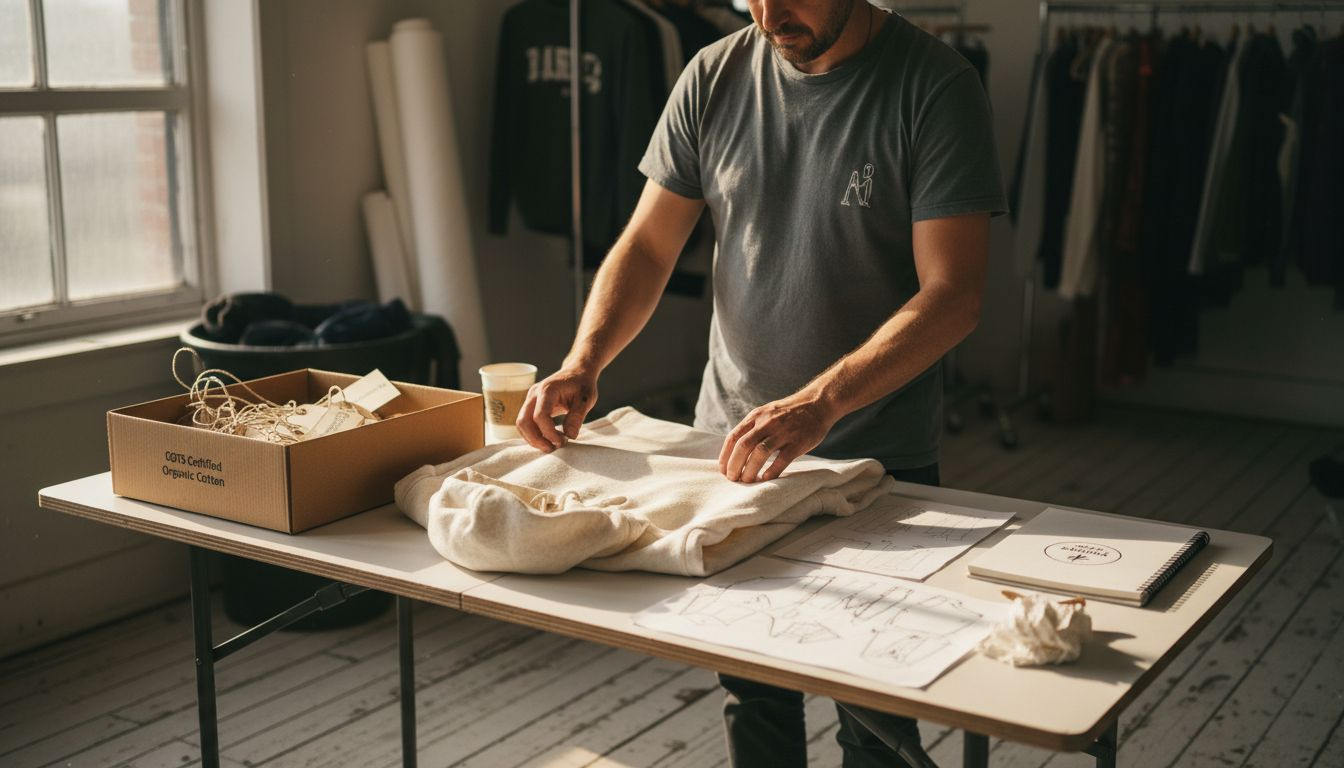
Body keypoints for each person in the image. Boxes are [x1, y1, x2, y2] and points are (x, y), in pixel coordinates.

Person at [517, 0, 1005, 764]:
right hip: (735, 453)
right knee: (755, 695)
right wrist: (585, 359)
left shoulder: (934, 85)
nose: (771, 12)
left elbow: (953, 296)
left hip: (873, 458)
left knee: (875, 710)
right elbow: (648, 246)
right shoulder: (712, 74)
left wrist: (822, 403)